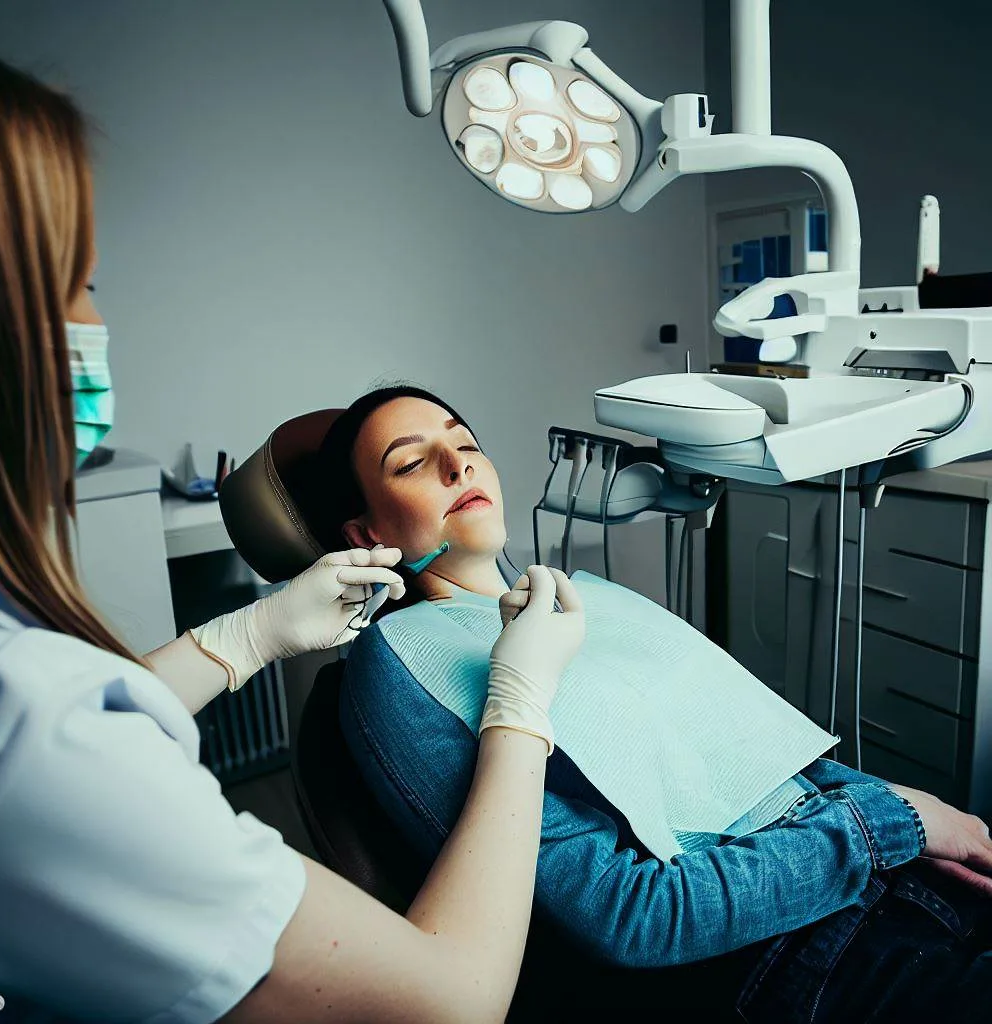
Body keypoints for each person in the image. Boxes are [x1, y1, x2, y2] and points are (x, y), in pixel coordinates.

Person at [0, 39, 588, 1023]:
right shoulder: (404, 680)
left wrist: (244, 635)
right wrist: (519, 701)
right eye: (79, 285)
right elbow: (451, 999)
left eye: (464, 442)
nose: (459, 463)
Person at [317, 384, 992, 1020]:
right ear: (366, 535)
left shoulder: (580, 601)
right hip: (791, 950)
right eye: (410, 463)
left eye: (464, 444)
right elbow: (631, 915)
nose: (455, 466)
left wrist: (907, 814)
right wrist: (889, 825)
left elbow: (767, 765)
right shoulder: (401, 660)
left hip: (868, 867)